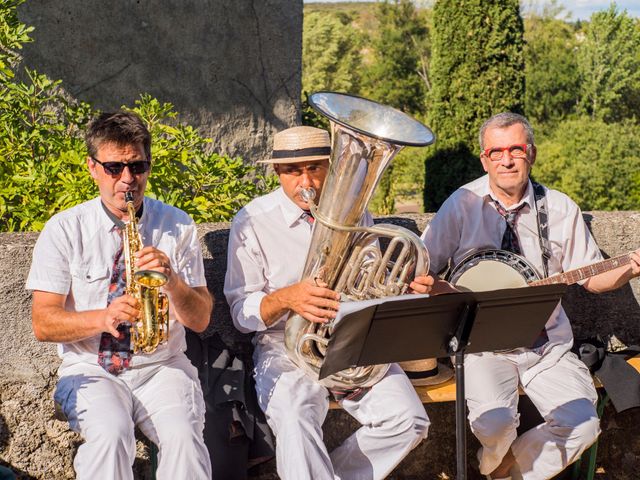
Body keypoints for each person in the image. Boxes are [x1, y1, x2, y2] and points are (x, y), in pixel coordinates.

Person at [421, 112, 640, 480]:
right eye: (496, 152)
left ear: (532, 154)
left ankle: (504, 472)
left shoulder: (559, 208)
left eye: (516, 150)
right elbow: (423, 264)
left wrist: (631, 267)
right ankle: (493, 461)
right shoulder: (461, 204)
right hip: (481, 346)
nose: (506, 160)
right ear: (484, 159)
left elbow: (593, 278)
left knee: (583, 424)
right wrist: (436, 287)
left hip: (546, 345)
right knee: (495, 425)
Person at [224, 125, 434, 480]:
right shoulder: (252, 221)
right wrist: (287, 298)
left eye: (315, 168)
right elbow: (241, 312)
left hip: (351, 340)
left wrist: (403, 289)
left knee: (409, 420)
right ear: (277, 172)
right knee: (294, 416)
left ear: (331, 167)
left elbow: (371, 286)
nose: (306, 181)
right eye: (293, 170)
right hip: (284, 345)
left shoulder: (357, 212)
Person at [26, 111, 213, 479]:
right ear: (92, 167)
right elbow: (43, 323)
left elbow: (201, 319)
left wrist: (172, 280)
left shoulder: (177, 224)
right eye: (114, 168)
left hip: (162, 365)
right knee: (111, 436)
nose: (128, 180)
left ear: (149, 165)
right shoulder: (65, 229)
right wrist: (102, 318)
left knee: (185, 440)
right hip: (91, 368)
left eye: (137, 166)